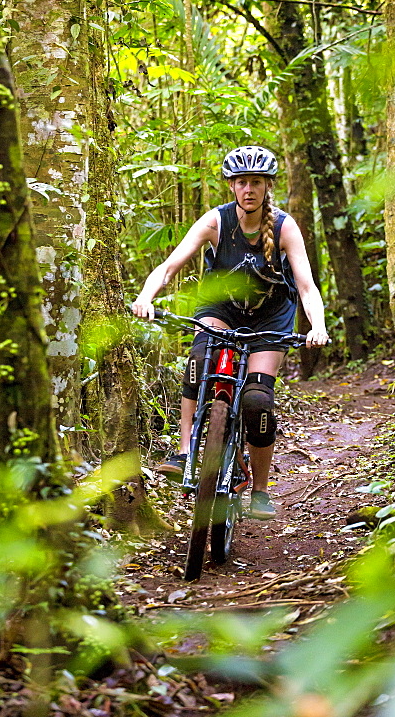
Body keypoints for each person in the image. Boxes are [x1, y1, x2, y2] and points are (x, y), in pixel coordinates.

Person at [132, 145, 329, 520]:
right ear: (232, 186)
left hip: (270, 318)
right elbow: (170, 265)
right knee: (200, 357)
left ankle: (259, 491)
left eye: (256, 182)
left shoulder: (284, 227)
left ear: (267, 186)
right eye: (241, 182)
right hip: (219, 309)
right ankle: (185, 452)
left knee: (257, 401)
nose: (249, 189)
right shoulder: (216, 222)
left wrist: (316, 326)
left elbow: (306, 286)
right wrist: (145, 297)